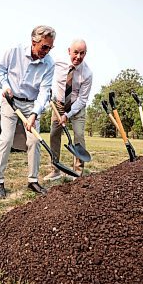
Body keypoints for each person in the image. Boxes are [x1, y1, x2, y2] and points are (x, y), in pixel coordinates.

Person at [0, 25, 56, 199]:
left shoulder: (49, 63)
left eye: (50, 48)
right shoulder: (14, 51)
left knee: (34, 141)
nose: (47, 51)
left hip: (31, 104)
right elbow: (0, 71)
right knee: (6, 139)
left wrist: (35, 113)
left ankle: (33, 180)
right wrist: (5, 86)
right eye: (44, 47)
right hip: (10, 101)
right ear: (33, 41)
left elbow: (44, 91)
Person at [45, 39, 93, 180]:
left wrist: (68, 114)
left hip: (77, 107)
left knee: (78, 136)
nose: (78, 57)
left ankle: (77, 172)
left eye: (82, 53)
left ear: (86, 54)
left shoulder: (87, 73)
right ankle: (55, 169)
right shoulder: (58, 62)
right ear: (69, 51)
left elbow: (82, 99)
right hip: (58, 105)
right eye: (75, 52)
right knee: (54, 134)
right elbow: (45, 72)